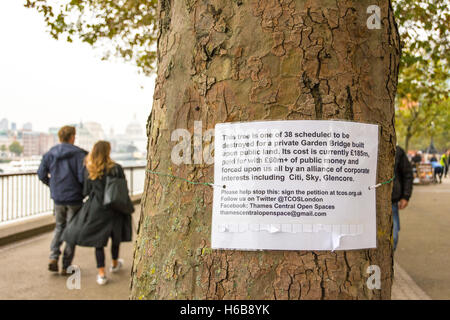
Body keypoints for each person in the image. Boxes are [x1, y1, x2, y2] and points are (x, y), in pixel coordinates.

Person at [62, 141, 132, 285]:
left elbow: (86, 191)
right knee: (115, 237)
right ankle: (114, 263)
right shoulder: (116, 168)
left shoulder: (90, 169)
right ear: (108, 151)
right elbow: (123, 189)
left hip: (96, 208)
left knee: (98, 242)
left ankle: (101, 273)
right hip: (115, 207)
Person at [37, 126, 87, 275]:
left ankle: (53, 257)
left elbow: (41, 174)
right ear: (72, 137)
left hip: (58, 198)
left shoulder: (50, 154)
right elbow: (82, 177)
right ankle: (66, 265)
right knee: (71, 231)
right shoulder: (80, 154)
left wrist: (52, 185)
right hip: (74, 198)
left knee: (59, 226)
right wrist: (83, 192)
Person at [392, 146, 413, 251]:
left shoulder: (398, 151)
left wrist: (405, 196)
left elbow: (407, 174)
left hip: (392, 202)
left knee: (393, 237)